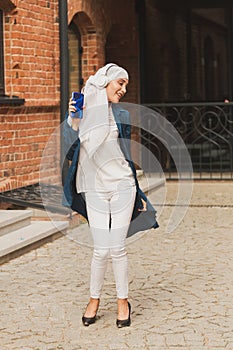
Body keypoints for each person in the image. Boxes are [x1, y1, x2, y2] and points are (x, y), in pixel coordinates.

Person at [62, 63, 158, 328]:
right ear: (105, 82)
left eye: (125, 84)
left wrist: (137, 191)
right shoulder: (79, 115)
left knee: (117, 248)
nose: (123, 89)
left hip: (121, 186)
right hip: (93, 187)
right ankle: (94, 300)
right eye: (120, 83)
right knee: (100, 250)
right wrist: (74, 122)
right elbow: (70, 152)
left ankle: (122, 301)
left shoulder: (122, 114)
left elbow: (125, 155)